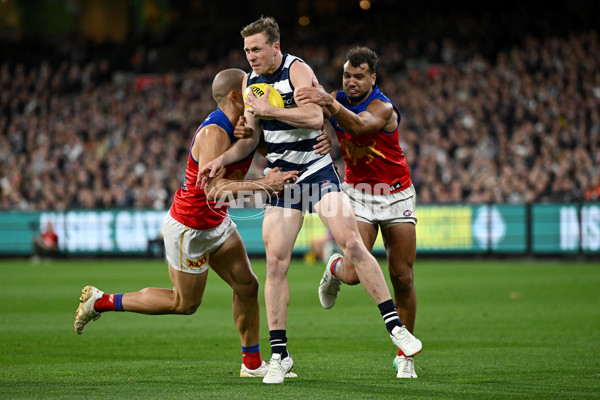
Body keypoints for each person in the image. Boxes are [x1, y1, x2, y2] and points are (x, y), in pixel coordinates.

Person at [198, 17, 422, 384]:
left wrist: (271, 111)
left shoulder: (297, 69)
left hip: (317, 172)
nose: (251, 56)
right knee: (275, 263)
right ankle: (279, 354)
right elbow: (252, 137)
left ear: (275, 47)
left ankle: (395, 327)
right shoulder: (250, 81)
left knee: (351, 243)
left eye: (256, 49)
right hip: (281, 177)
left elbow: (315, 114)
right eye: (246, 50)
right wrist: (222, 159)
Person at [73, 68, 301, 379]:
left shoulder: (244, 125)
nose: (256, 93)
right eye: (250, 90)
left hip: (217, 221)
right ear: (236, 96)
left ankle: (251, 365)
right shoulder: (214, 133)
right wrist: (264, 184)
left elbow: (277, 149)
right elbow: (212, 189)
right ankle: (102, 302)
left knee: (247, 286)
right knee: (184, 304)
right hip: (189, 227)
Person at [296, 46, 420, 378]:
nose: (351, 82)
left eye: (359, 76)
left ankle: (403, 356)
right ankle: (334, 269)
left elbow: (360, 127)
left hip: (396, 194)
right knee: (352, 273)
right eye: (347, 75)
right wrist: (320, 134)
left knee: (403, 277)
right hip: (359, 195)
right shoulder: (334, 98)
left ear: (372, 78)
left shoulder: (382, 106)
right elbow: (313, 123)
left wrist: (329, 105)